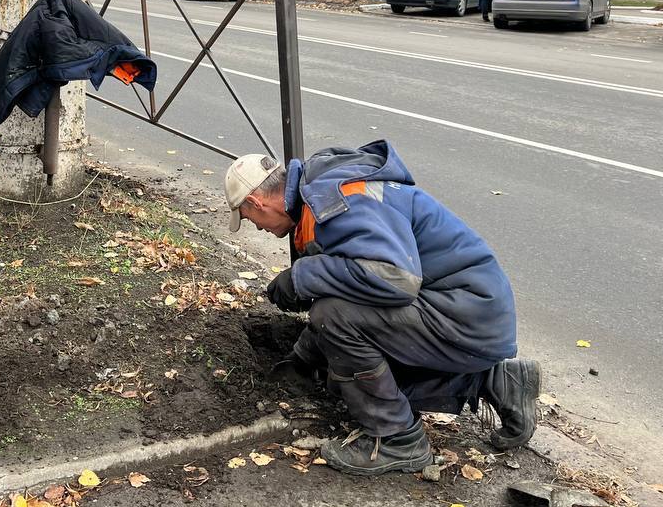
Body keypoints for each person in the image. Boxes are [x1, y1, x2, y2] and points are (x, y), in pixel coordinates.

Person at [224, 143, 538, 476]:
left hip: (467, 314)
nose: (257, 228)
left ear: (257, 202)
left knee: (333, 319)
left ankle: (398, 440)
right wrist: (304, 359)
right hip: (471, 311)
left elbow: (394, 280)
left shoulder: (335, 200)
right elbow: (356, 289)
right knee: (347, 373)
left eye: (248, 218)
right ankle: (493, 380)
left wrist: (302, 276)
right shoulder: (321, 194)